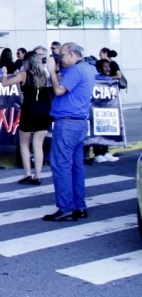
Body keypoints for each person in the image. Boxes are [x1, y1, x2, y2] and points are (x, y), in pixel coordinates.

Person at [43, 42, 95, 222]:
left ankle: (65, 207)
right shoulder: (88, 68)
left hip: (67, 122)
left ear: (73, 54)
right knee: (76, 165)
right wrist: (58, 69)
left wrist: (51, 70)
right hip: (79, 122)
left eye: (63, 55)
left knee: (61, 165)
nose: (61, 58)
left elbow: (58, 90)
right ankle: (79, 205)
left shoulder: (75, 71)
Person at [2, 46, 51, 185]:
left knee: (24, 143)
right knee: (38, 145)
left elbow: (5, 84)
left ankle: (27, 173)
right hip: (44, 111)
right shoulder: (45, 75)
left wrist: (5, 73)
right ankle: (38, 175)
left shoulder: (24, 74)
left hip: (29, 110)